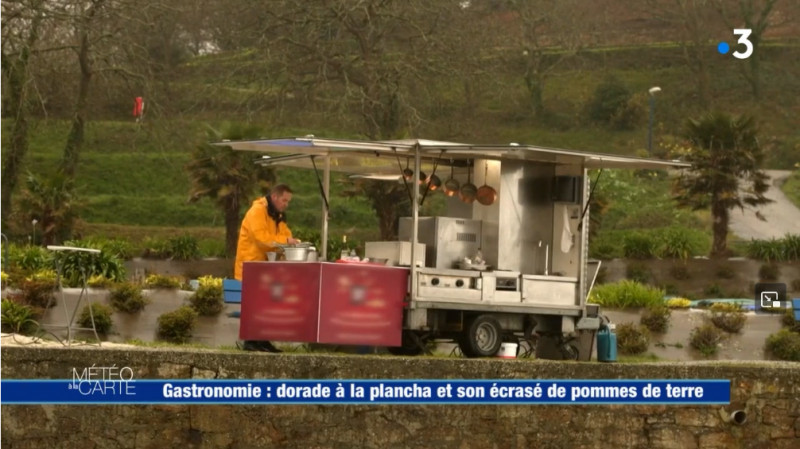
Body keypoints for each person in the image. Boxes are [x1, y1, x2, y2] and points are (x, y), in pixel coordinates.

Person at [234, 184, 300, 353]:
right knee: (255, 305)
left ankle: (262, 340)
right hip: (251, 265)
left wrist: (290, 242)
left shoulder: (276, 215)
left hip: (265, 268)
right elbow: (261, 239)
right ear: (275, 197)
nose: (286, 204)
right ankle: (251, 341)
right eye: (284, 200)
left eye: (288, 201)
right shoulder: (257, 211)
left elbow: (286, 235)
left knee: (264, 304)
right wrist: (286, 243)